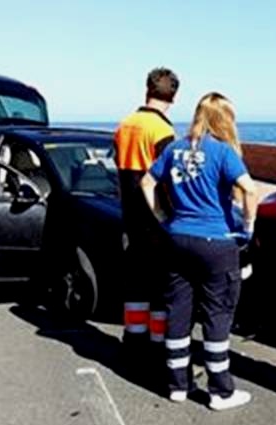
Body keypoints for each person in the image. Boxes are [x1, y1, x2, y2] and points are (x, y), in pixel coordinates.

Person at [140, 92, 258, 410]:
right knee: (217, 313)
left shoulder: (175, 148)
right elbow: (250, 189)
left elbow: (146, 182)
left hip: (177, 239)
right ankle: (220, 391)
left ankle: (177, 383)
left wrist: (163, 217)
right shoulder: (222, 152)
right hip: (216, 242)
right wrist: (247, 227)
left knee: (178, 310)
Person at [114, 67, 179, 345]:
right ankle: (157, 341)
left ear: (147, 89)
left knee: (136, 282)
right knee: (160, 285)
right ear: (174, 97)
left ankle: (134, 339)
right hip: (155, 216)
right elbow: (167, 179)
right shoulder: (162, 130)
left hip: (130, 212)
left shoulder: (124, 124)